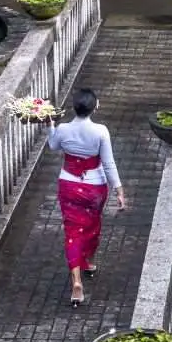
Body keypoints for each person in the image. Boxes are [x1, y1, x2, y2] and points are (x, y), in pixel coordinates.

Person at [45, 87, 125, 307]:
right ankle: (88, 260)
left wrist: (50, 125)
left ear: (74, 107)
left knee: (72, 230)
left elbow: (52, 146)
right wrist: (118, 189)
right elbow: (108, 164)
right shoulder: (101, 131)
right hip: (94, 188)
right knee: (92, 226)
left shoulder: (62, 129)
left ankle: (77, 281)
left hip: (68, 184)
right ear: (95, 107)